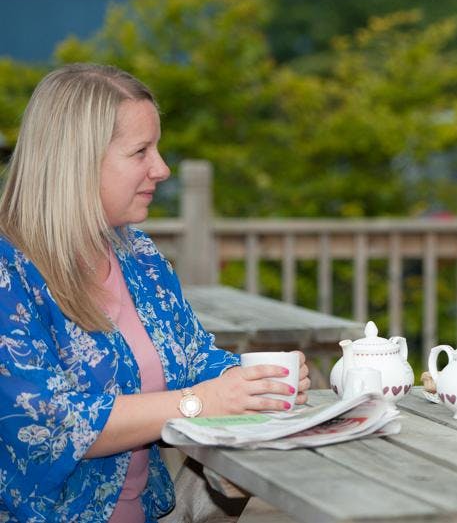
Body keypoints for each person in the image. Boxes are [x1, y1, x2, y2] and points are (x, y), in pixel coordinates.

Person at [0, 64, 312, 522]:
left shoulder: (138, 255)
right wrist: (201, 403)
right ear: (77, 161)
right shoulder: (9, 271)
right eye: (141, 151)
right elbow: (48, 423)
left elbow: (193, 359)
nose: (162, 169)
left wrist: (258, 380)